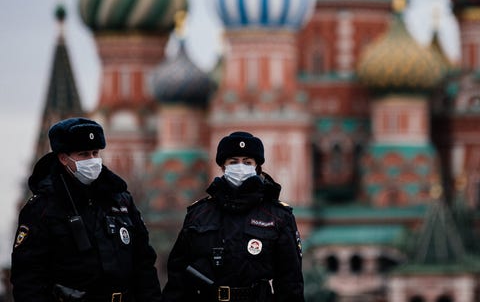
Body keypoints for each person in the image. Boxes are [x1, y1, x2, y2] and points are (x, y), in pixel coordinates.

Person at [10, 117, 162, 302]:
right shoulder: (43, 208)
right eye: (83, 154)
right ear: (63, 158)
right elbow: (28, 277)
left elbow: (144, 263)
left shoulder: (120, 200)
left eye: (95, 153)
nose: (92, 160)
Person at [162, 131, 304, 302]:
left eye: (247, 162)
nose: (240, 167)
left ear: (257, 167)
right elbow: (178, 274)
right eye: (233, 161)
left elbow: (290, 281)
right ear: (223, 166)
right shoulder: (199, 214)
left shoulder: (277, 216)